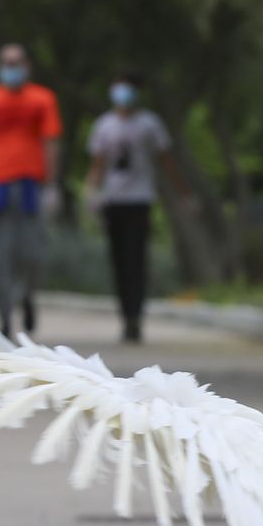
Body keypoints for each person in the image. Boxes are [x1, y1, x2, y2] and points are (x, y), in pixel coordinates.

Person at [0, 43, 61, 336]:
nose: (11, 68)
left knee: (33, 254)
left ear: (27, 65)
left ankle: (28, 296)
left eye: (16, 62)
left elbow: (51, 142)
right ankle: (4, 314)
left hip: (31, 185)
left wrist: (53, 186)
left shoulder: (43, 99)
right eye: (6, 63)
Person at [86, 70, 185, 342]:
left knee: (137, 260)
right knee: (119, 261)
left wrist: (183, 194)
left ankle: (136, 316)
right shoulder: (104, 125)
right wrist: (91, 193)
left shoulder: (150, 124)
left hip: (140, 201)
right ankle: (125, 315)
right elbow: (97, 165)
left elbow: (166, 161)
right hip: (114, 201)